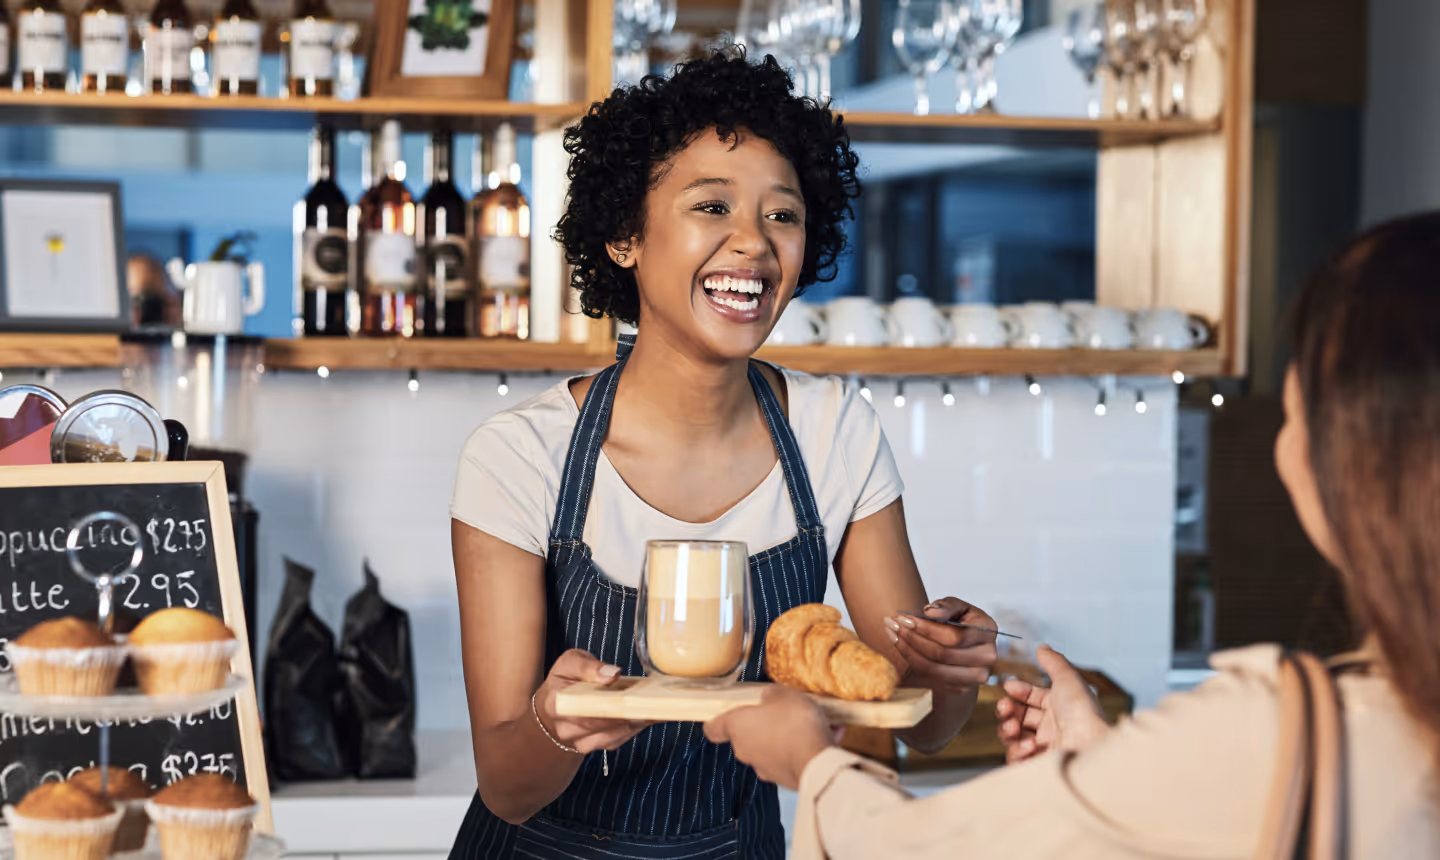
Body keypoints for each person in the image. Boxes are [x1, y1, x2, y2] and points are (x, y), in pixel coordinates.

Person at [705, 212, 1440, 858]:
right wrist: (1109, 767)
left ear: (1357, 461)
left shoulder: (1290, 733)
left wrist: (814, 766)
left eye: (1301, 407)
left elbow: (928, 849)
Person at [447, 49, 999, 858]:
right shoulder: (521, 456)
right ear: (624, 237)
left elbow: (915, 724)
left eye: (782, 215)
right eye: (712, 206)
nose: (754, 244)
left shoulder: (832, 430)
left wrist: (949, 670)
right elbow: (507, 781)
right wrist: (557, 726)